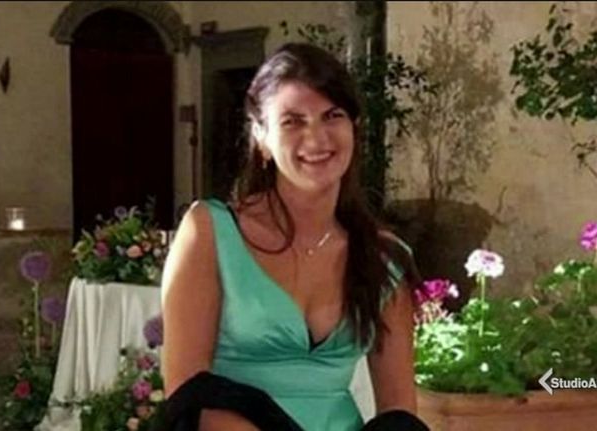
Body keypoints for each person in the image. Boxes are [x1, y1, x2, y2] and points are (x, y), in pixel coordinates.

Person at [160, 42, 424, 431]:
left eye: (332, 116)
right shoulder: (210, 231)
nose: (316, 139)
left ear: (354, 128)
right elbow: (187, 393)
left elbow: (399, 408)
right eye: (293, 121)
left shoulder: (384, 257)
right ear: (261, 138)